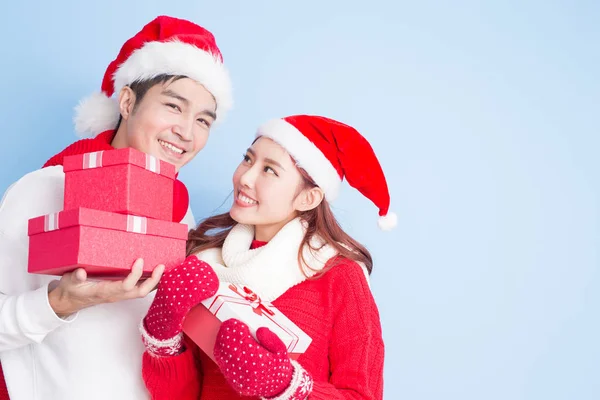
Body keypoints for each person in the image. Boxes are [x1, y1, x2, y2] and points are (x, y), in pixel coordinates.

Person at [0, 15, 233, 400]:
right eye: (174, 106)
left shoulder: (180, 214)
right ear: (127, 101)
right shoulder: (43, 190)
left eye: (203, 120)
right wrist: (60, 301)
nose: (187, 133)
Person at [140, 115, 396, 399]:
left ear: (308, 198)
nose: (245, 178)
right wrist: (162, 337)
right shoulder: (204, 264)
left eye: (269, 170)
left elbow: (363, 395)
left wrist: (287, 386)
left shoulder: (339, 275)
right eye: (248, 160)